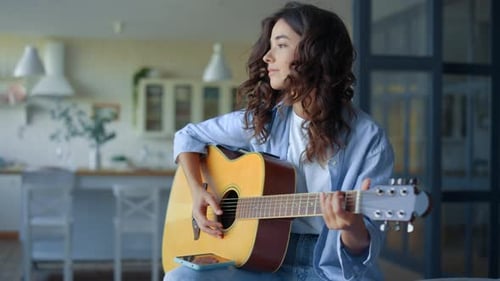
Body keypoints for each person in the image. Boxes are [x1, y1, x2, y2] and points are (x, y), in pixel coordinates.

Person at [165, 1, 394, 281]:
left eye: (281, 45)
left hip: (329, 267)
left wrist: (350, 225)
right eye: (270, 45)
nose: (267, 57)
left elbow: (363, 246)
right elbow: (188, 136)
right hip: (260, 261)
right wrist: (198, 190)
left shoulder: (368, 138)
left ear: (315, 54)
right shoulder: (264, 121)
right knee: (181, 278)